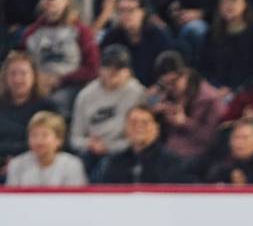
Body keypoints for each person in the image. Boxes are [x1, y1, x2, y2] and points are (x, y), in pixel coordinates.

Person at [69, 43, 146, 174]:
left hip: (125, 150)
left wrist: (110, 147)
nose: (113, 72)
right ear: (100, 69)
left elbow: (140, 135)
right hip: (91, 151)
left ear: (128, 71)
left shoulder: (138, 93)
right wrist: (89, 144)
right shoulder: (85, 95)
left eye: (119, 67)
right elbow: (75, 138)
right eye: (108, 66)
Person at [146, 49, 224, 170]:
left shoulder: (210, 98)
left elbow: (212, 139)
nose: (170, 87)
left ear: (185, 74)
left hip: (197, 155)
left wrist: (185, 123)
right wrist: (155, 116)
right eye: (165, 84)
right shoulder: (165, 94)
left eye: (174, 82)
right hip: (168, 151)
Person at [97, 103, 187, 182]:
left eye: (145, 123)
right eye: (133, 122)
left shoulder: (172, 163)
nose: (138, 127)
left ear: (156, 128)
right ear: (125, 128)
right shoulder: (114, 163)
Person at [0, 50, 56, 175]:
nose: (18, 79)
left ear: (34, 76)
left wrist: (17, 164)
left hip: (36, 166)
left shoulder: (48, 107)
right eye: (13, 74)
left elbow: (55, 143)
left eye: (23, 73)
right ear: (5, 77)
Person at [5, 108, 86, 185]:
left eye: (45, 135)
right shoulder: (16, 165)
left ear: (59, 140)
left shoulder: (72, 165)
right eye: (34, 135)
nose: (39, 141)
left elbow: (76, 198)